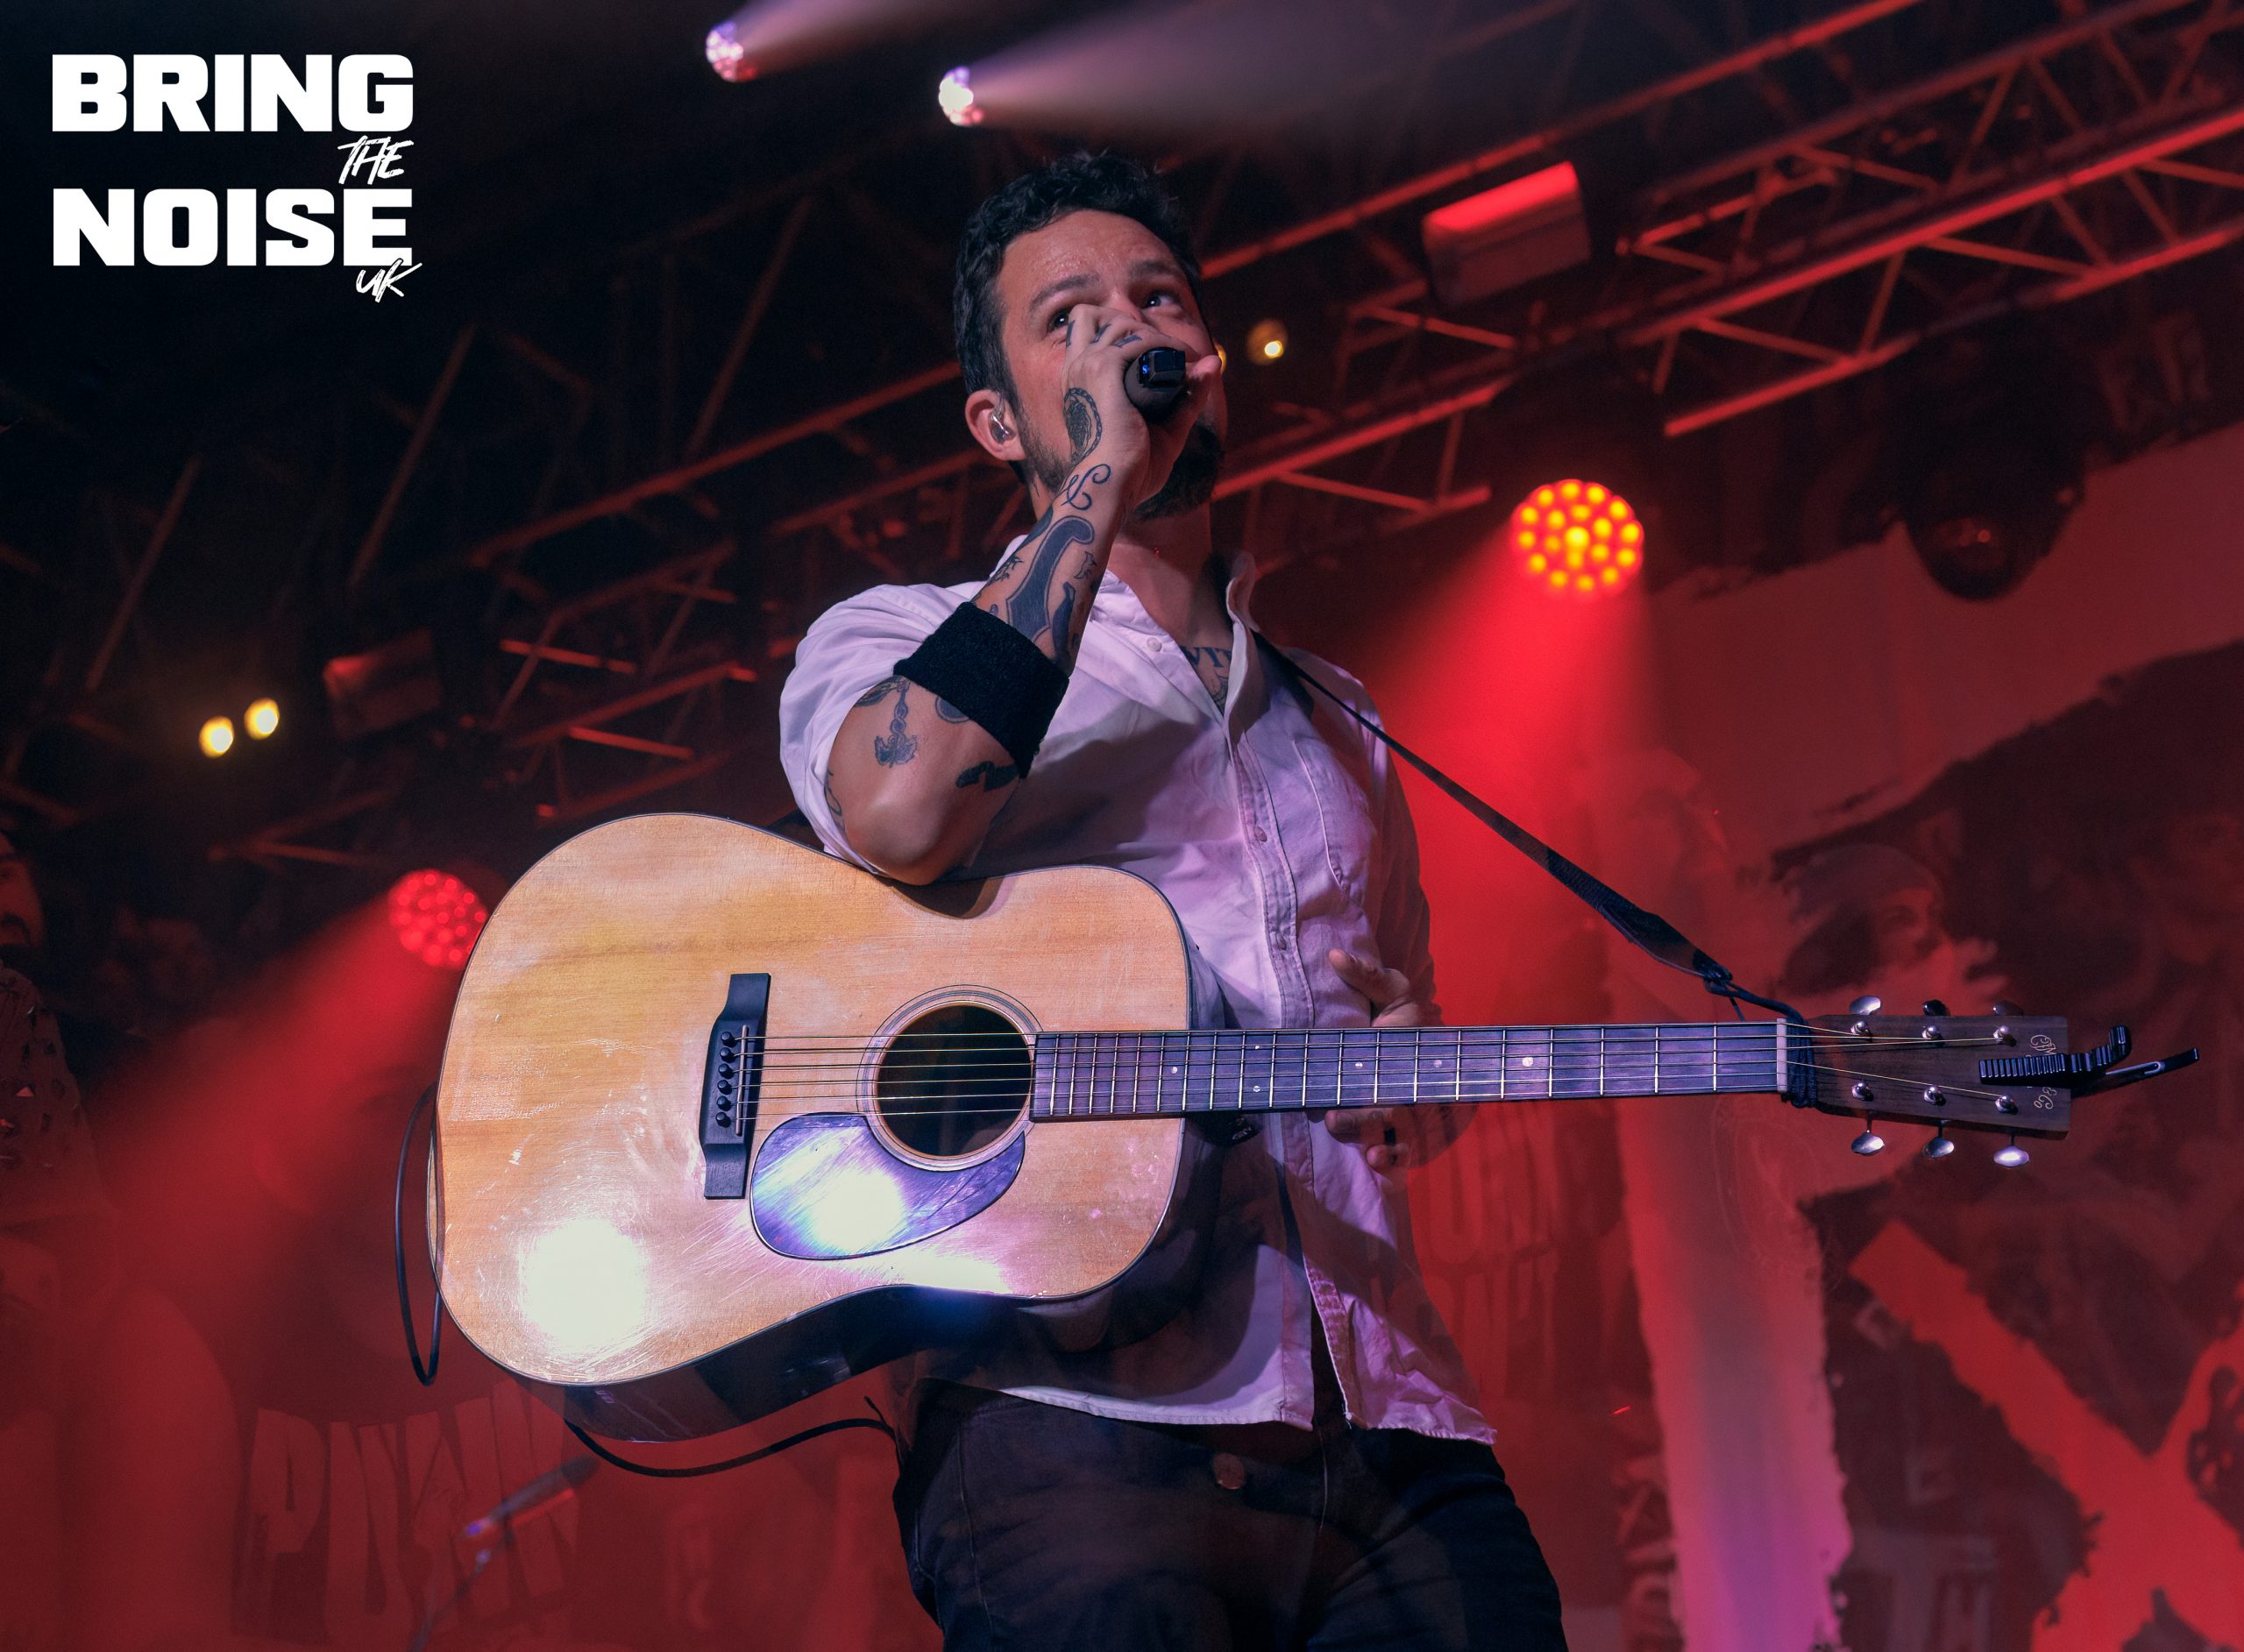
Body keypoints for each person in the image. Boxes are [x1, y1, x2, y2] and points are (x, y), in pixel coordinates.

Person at [778, 152, 1566, 1650]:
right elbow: (902, 812)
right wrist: (1097, 482)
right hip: (1072, 1415)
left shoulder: (1339, 713)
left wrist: (1416, 1079)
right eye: (1069, 318)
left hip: (1383, 1409)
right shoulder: (896, 639)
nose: (1129, 331)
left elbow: (1397, 1037)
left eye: (1157, 301)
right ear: (996, 420)